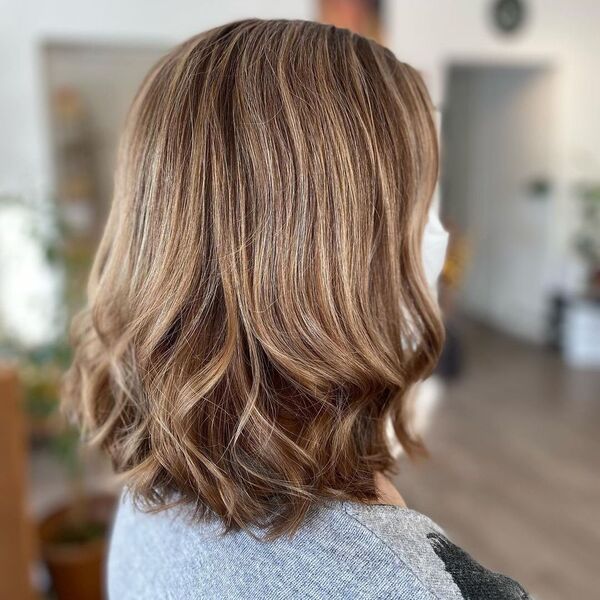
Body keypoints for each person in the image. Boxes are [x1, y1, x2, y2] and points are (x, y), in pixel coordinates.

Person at [63, 19, 530, 600]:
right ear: (329, 251)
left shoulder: (150, 487)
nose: (439, 236)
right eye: (421, 201)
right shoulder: (395, 582)